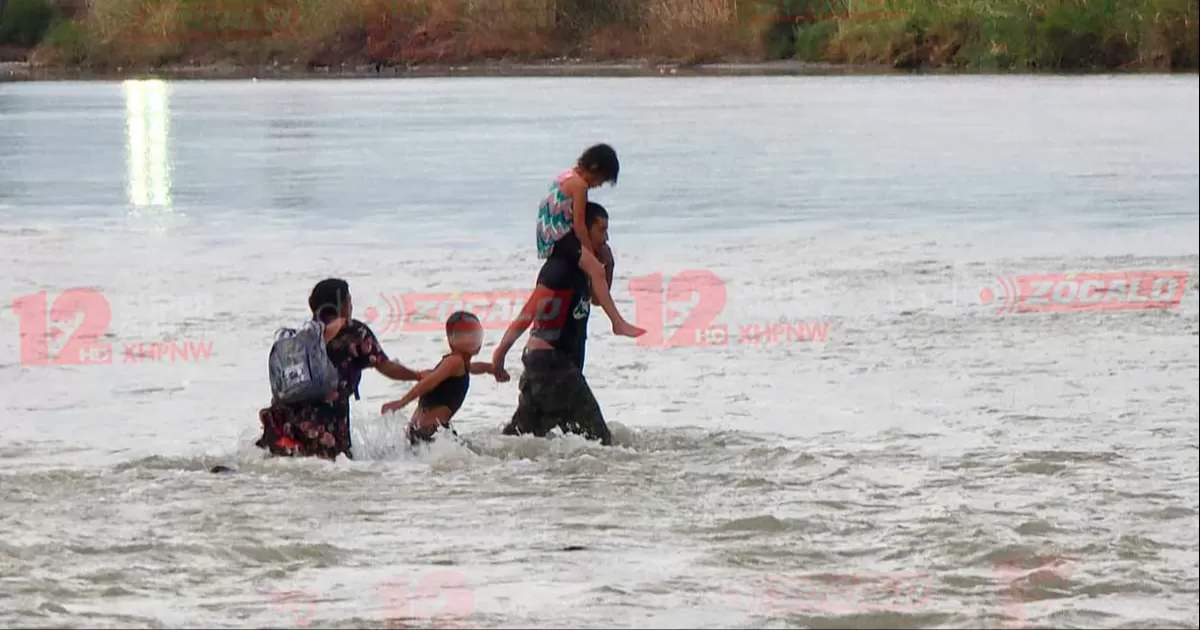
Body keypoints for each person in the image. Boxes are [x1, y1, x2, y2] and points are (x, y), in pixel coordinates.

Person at [494, 201, 622, 445]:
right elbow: (530, 310)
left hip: (547, 366)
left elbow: (596, 299)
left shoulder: (585, 269)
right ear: (583, 230)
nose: (606, 238)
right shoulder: (561, 267)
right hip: (553, 365)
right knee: (602, 441)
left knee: (521, 439)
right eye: (601, 230)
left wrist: (609, 266)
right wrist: (501, 352)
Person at [256, 278, 423, 460]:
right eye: (349, 301)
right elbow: (386, 366)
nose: (351, 306)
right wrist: (418, 375)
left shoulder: (306, 333)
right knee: (332, 474)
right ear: (341, 304)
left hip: (288, 419)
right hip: (327, 422)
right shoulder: (354, 331)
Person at [537, 143, 645, 340]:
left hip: (548, 236)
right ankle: (617, 322)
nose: (597, 185)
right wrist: (590, 253)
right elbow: (579, 224)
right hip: (560, 237)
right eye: (601, 181)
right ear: (594, 168)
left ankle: (617, 321)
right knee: (596, 270)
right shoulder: (579, 185)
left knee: (594, 270)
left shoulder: (565, 176)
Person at [379, 311, 503, 445]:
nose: (470, 339)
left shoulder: (458, 364)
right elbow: (429, 382)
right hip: (432, 432)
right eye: (464, 335)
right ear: (451, 339)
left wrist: (492, 369)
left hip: (419, 431)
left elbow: (472, 368)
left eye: (474, 333)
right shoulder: (455, 361)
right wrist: (401, 403)